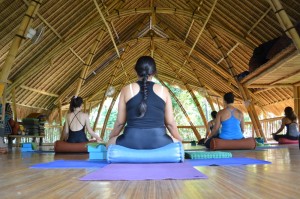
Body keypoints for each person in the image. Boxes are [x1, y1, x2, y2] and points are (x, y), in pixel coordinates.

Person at [107, 56, 183, 149]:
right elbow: (170, 123)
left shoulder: (126, 90)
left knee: (108, 145)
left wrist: (111, 138)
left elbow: (120, 123)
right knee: (178, 146)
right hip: (159, 140)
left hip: (131, 140)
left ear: (135, 71)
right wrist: (179, 139)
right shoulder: (164, 90)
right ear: (154, 72)